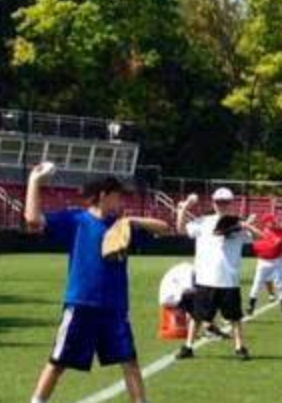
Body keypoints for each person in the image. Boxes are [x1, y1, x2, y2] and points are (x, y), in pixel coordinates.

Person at [23, 162, 170, 403]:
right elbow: (32, 219)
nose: (122, 203)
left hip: (114, 308)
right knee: (58, 362)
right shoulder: (76, 220)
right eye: (118, 197)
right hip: (81, 305)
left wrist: (131, 220)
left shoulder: (121, 226)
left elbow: (164, 228)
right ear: (103, 196)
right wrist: (34, 181)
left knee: (130, 363)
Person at [176, 187, 262, 360]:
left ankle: (239, 347)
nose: (221, 205)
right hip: (205, 278)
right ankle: (188, 347)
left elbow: (260, 237)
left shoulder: (237, 223)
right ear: (213, 203)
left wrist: (245, 226)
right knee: (197, 316)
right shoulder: (203, 221)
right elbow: (181, 229)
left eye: (225, 202)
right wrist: (185, 207)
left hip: (229, 280)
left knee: (235, 317)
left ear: (231, 203)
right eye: (218, 202)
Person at [158, 262, 229, 339]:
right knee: (200, 302)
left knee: (200, 301)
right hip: (170, 297)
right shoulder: (188, 271)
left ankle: (208, 326)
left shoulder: (191, 271)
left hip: (173, 295)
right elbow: (187, 290)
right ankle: (207, 326)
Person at [248, 213, 282, 316]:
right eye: (270, 221)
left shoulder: (280, 231)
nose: (273, 222)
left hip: (277, 260)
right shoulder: (262, 231)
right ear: (266, 223)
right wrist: (249, 222)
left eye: (273, 220)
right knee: (257, 283)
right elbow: (252, 232)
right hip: (263, 261)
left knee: (279, 284)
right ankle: (251, 306)